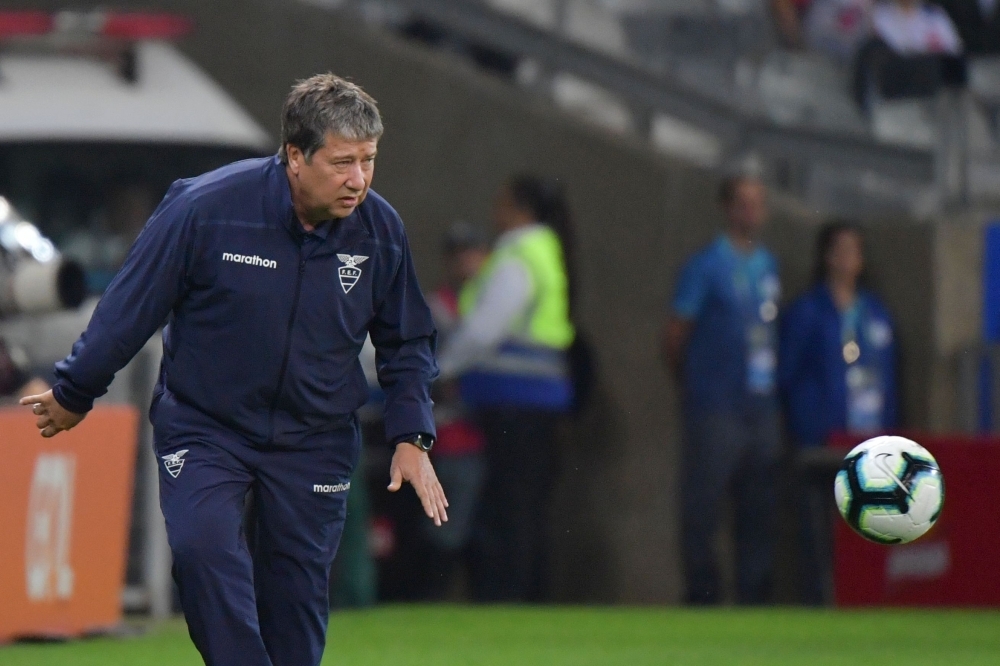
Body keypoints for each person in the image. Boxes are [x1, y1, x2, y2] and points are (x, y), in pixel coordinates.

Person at [20, 74, 448, 666]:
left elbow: (407, 341)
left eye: (369, 161)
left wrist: (410, 434)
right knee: (204, 556)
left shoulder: (380, 231)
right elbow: (131, 302)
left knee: (295, 606)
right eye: (343, 162)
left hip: (314, 438)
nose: (359, 180)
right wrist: (75, 389)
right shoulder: (206, 209)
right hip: (207, 427)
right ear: (295, 156)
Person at [437, 175, 575, 602]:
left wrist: (438, 369)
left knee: (510, 506)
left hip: (516, 401)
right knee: (525, 506)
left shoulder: (518, 255)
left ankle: (512, 596)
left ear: (520, 209)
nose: (495, 212)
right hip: (533, 401)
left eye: (501, 203)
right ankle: (528, 594)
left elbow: (484, 330)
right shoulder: (544, 251)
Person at [662, 174, 781, 605]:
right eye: (743, 203)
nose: (751, 212)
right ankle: (703, 596)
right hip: (716, 404)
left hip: (760, 405)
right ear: (728, 208)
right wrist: (694, 383)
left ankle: (754, 600)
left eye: (758, 203)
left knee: (758, 509)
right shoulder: (707, 265)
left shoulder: (769, 265)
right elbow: (677, 333)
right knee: (703, 507)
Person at [779, 221, 897, 604]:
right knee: (820, 536)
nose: (849, 258)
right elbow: (788, 375)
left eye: (856, 250)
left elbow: (889, 378)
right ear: (827, 256)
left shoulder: (875, 314)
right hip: (823, 443)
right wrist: (805, 427)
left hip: (869, 443)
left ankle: (866, 605)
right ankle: (821, 605)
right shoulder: (808, 312)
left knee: (869, 533)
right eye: (841, 249)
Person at [421, 222, 490, 598]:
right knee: (442, 528)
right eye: (458, 253)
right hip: (448, 435)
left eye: (472, 251)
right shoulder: (435, 309)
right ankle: (434, 599)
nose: (466, 261)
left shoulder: (494, 306)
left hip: (487, 433)